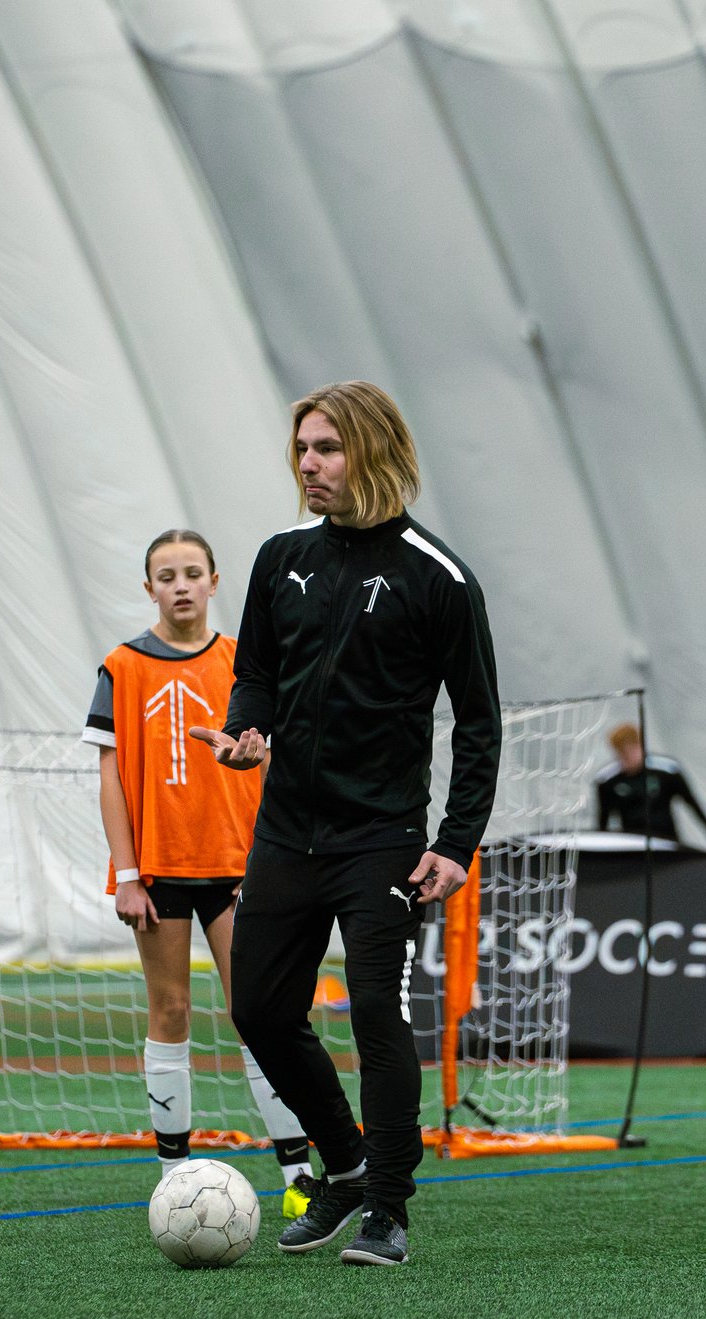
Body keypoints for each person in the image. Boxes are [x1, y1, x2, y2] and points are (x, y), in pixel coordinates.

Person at [190, 381, 501, 1267]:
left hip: (384, 842)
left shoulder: (439, 577)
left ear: (372, 450)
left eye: (326, 448)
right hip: (286, 831)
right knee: (258, 1008)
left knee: (375, 1014)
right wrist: (248, 730)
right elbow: (256, 674)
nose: (309, 464)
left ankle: (388, 1209)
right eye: (302, 449)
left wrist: (456, 841)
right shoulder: (280, 557)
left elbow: (479, 722)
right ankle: (349, 1161)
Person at [87, 528, 316, 1210]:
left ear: (214, 582)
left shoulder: (245, 662)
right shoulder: (121, 666)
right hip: (158, 870)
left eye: (192, 573)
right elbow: (109, 777)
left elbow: (279, 764)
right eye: (167, 576)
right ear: (149, 588)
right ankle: (173, 1177)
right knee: (171, 1008)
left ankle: (299, 1177)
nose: (181, 585)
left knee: (260, 1013)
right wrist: (127, 873)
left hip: (239, 869)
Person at [593, 722, 706, 851]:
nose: (628, 759)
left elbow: (692, 803)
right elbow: (603, 820)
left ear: (640, 746)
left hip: (667, 844)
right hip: (632, 847)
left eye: (632, 751)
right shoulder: (607, 781)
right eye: (623, 755)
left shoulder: (667, 771)